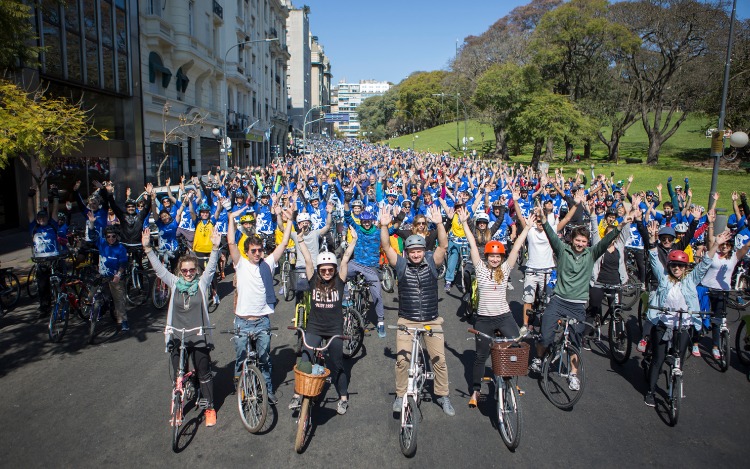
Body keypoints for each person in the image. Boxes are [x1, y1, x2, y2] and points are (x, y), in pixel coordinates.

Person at [531, 204, 630, 392]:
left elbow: (605, 240)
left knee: (575, 342)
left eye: (584, 241)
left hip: (577, 306)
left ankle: (573, 374)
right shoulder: (562, 250)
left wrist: (621, 225)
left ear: (587, 243)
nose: (580, 244)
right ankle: (539, 357)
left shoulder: (592, 254)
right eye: (578, 240)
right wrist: (543, 219)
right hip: (558, 300)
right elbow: (552, 236)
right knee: (545, 336)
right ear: (572, 240)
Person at [379, 205, 455, 416]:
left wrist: (439, 223)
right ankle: (401, 394)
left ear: (423, 251)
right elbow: (386, 247)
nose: (416, 254)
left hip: (431, 320)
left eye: (419, 251)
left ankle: (443, 395)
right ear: (407, 252)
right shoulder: (401, 265)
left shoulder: (432, 263)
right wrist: (385, 226)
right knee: (402, 361)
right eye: (412, 251)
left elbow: (443, 244)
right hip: (407, 320)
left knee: (439, 360)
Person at [142, 226, 221, 426]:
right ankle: (178, 407)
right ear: (180, 271)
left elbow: (211, 267)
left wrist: (215, 247)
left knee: (204, 373)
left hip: (199, 335)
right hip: (178, 335)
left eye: (191, 270)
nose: (187, 273)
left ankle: (210, 408)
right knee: (179, 374)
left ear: (196, 271)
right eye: (184, 270)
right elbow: (159, 271)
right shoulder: (175, 283)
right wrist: (148, 250)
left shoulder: (202, 284)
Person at [643, 230, 728, 407]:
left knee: (679, 359)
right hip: (664, 324)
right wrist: (651, 242)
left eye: (681, 266)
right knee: (658, 359)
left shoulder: (690, 281)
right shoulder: (664, 279)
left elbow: (704, 264)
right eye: (674, 265)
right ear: (669, 266)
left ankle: (673, 388)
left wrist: (716, 245)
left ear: (685, 268)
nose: (677, 269)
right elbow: (654, 262)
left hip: (683, 325)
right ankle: (650, 391)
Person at [460, 206, 534, 408]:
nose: (494, 259)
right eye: (491, 256)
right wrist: (465, 222)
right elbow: (473, 245)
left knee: (515, 346)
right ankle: (476, 390)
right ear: (487, 256)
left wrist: (526, 228)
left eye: (498, 256)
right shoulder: (481, 268)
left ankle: (510, 382)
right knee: (481, 357)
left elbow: (517, 247)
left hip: (504, 316)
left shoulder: (506, 268)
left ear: (501, 257)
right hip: (484, 319)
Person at [226, 205, 294, 405]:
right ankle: (241, 387)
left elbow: (282, 244)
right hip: (242, 322)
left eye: (260, 250)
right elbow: (230, 241)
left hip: (262, 322)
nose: (257, 253)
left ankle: (268, 390)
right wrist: (231, 218)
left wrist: (289, 221)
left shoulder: (268, 263)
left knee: (264, 360)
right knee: (241, 359)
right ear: (246, 252)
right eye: (253, 251)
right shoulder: (241, 264)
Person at [288, 226, 358, 414]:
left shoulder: (339, 281)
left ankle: (343, 397)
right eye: (323, 270)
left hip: (335, 329)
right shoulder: (313, 280)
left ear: (334, 270)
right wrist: (300, 240)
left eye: (330, 269)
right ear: (319, 270)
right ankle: (297, 394)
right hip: (314, 327)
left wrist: (353, 240)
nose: (327, 272)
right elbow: (308, 260)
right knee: (304, 360)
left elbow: (345, 259)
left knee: (337, 365)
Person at [86, 215, 129, 331]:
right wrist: (91, 223)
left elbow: (123, 264)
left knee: (119, 299)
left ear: (117, 237)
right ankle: (93, 311)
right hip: (102, 276)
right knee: (90, 295)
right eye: (108, 236)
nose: (111, 238)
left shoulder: (120, 248)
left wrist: (118, 275)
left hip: (114, 277)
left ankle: (123, 321)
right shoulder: (102, 243)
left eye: (113, 236)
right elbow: (92, 236)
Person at [28, 185, 61, 317]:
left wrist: (55, 196)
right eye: (40, 218)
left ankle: (62, 303)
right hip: (41, 261)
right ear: (37, 219)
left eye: (44, 218)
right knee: (43, 286)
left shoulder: (52, 225)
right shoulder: (34, 227)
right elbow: (30, 213)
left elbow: (55, 211)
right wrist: (30, 196)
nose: (42, 220)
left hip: (54, 259)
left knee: (60, 282)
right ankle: (45, 307)